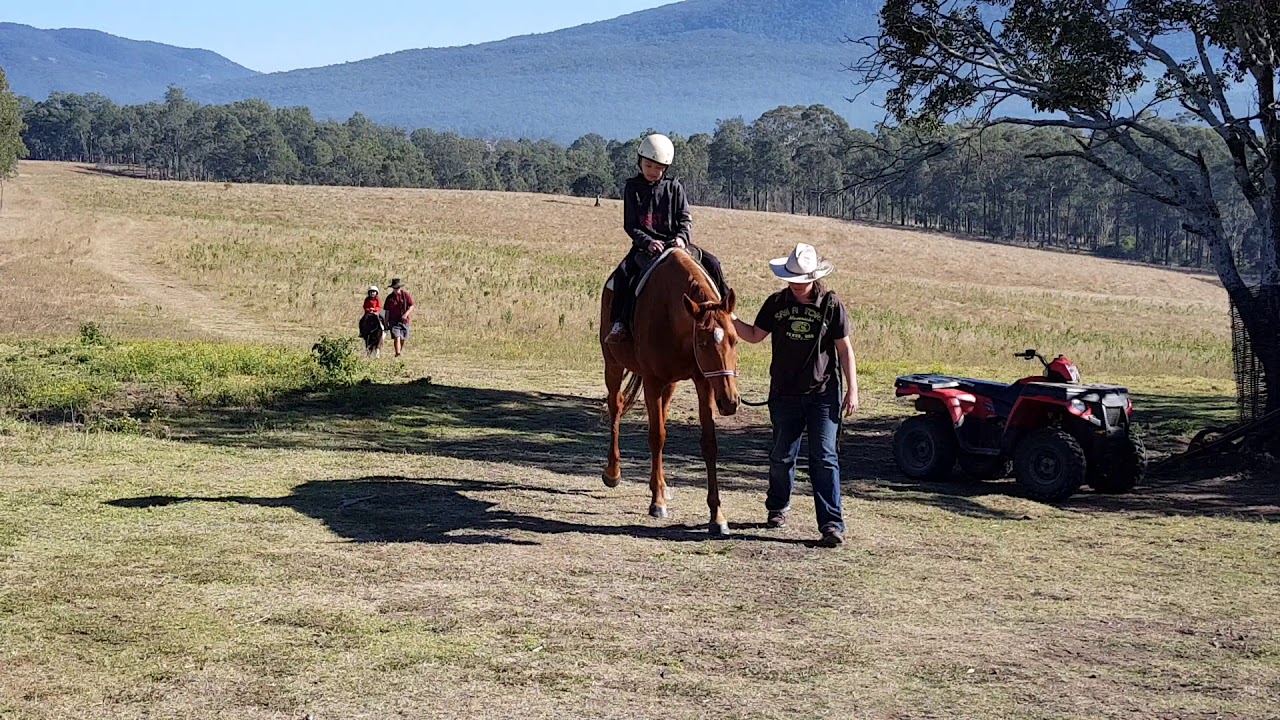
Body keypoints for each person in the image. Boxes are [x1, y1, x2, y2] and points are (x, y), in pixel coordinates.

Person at [732, 243, 859, 548]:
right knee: (781, 455)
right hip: (784, 394)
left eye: (802, 280)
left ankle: (831, 525)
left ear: (814, 278)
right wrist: (728, 317)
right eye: (792, 279)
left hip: (823, 395)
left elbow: (844, 349)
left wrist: (852, 389)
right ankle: (777, 507)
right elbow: (754, 336)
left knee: (825, 458)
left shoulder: (830, 305)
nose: (796, 285)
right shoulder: (776, 303)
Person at [605, 133, 729, 343]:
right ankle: (620, 323)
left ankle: (725, 311)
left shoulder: (674, 188)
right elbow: (631, 225)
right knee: (623, 275)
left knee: (713, 263)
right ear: (640, 162)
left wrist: (681, 238)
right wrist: (648, 242)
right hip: (645, 248)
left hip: (677, 245)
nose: (653, 171)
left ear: (666, 168)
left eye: (659, 167)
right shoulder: (632, 188)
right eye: (649, 165)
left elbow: (685, 219)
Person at [384, 278, 415, 358]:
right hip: (393, 321)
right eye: (395, 288)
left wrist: (406, 314)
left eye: (397, 288)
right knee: (396, 337)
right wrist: (386, 322)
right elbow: (386, 311)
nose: (396, 289)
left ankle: (399, 350)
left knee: (402, 338)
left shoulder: (405, 295)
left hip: (404, 321)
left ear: (400, 288)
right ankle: (397, 353)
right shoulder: (389, 298)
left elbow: (411, 305)